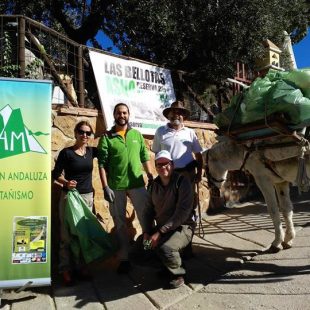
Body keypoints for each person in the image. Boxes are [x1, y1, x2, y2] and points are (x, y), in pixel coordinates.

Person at [97, 102, 153, 274]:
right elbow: (101, 164)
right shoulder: (107, 137)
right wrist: (105, 186)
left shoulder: (136, 134)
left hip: (137, 184)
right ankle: (124, 258)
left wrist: (150, 176)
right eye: (119, 113)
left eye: (125, 113)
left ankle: (149, 251)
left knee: (146, 218)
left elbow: (145, 157)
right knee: (119, 222)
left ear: (129, 115)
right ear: (114, 115)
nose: (122, 116)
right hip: (116, 186)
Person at [52, 120, 98, 285]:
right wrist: (65, 183)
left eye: (88, 133)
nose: (84, 135)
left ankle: (81, 267)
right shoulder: (67, 153)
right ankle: (65, 270)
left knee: (83, 236)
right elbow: (55, 174)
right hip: (70, 197)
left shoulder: (92, 152)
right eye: (81, 131)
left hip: (87, 198)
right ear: (75, 133)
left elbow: (110, 153)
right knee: (66, 235)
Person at [142, 150, 195, 289]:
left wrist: (159, 233)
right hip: (161, 229)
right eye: (159, 165)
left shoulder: (182, 182)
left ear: (172, 164)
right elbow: (148, 211)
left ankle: (178, 273)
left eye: (166, 163)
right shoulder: (153, 186)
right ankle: (166, 266)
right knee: (142, 250)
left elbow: (181, 213)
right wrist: (147, 232)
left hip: (183, 227)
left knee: (166, 247)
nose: (162, 167)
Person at [152, 100, 203, 188]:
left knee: (188, 201)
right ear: (168, 115)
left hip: (187, 174)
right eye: (173, 112)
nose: (176, 115)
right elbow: (157, 154)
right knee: (170, 200)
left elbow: (198, 156)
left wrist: (199, 173)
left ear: (183, 117)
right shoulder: (160, 131)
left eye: (179, 113)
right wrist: (161, 172)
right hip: (168, 175)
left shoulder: (190, 132)